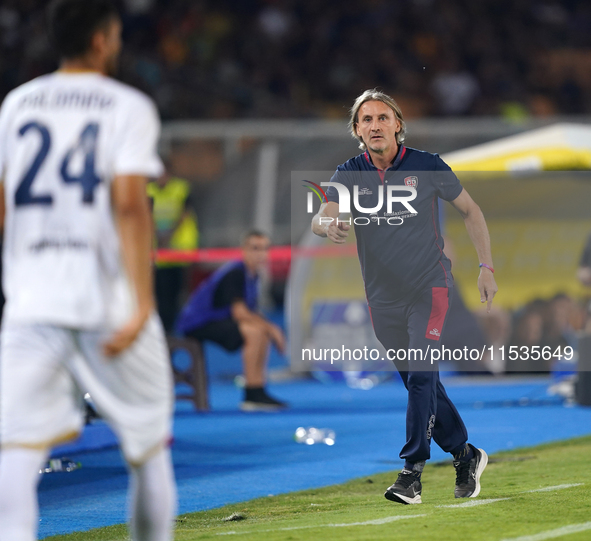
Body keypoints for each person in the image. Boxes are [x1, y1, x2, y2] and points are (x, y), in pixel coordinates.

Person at [0, 1, 176, 539]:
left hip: (32, 304)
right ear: (102, 40)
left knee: (16, 452)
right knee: (148, 450)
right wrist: (143, 303)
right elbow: (128, 203)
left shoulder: (16, 104)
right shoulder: (128, 106)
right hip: (109, 302)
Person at [311, 89, 498, 505]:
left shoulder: (428, 166)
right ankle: (466, 455)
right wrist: (329, 227)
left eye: (382, 117)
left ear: (397, 123)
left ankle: (411, 473)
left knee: (420, 373)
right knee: (420, 380)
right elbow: (320, 216)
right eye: (366, 120)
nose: (374, 125)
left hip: (430, 286)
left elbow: (472, 211)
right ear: (357, 130)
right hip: (382, 297)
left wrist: (486, 268)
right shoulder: (348, 172)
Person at [176, 230, 287, 411]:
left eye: (265, 249)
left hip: (218, 320)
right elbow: (240, 313)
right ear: (244, 250)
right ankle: (251, 393)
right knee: (254, 331)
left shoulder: (253, 276)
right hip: (198, 323)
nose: (260, 253)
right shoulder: (235, 273)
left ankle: (258, 389)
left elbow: (250, 311)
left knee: (260, 330)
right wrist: (274, 328)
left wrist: (269, 328)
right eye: (255, 248)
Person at [147, 164, 199, 331]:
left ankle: (174, 326)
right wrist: (157, 235)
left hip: (178, 251)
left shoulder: (181, 188)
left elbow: (185, 212)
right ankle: (161, 325)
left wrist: (168, 235)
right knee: (159, 292)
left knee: (177, 292)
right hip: (157, 253)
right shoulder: (148, 190)